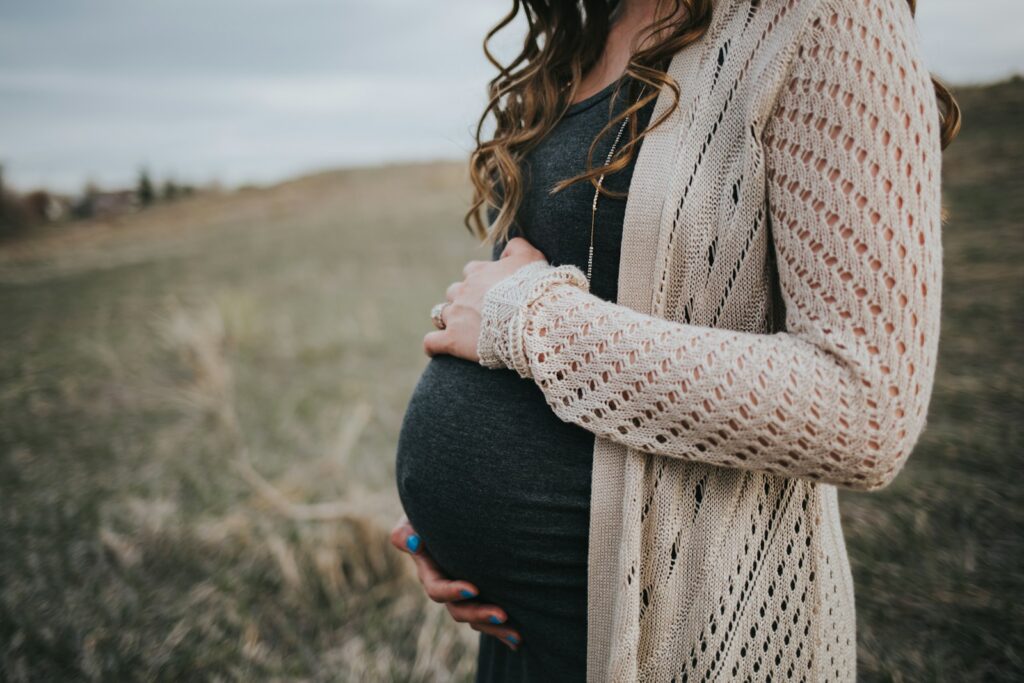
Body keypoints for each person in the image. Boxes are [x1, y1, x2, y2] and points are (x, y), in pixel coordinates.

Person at [391, 0, 959, 681]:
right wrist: (450, 526)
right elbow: (518, 287)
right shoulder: (589, 25)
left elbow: (868, 407)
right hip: (521, 638)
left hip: (687, 636)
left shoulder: (828, 17)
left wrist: (531, 324)